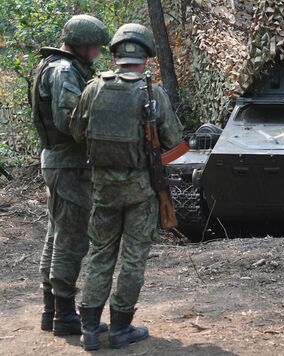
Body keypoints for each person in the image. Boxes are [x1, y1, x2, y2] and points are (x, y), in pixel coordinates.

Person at [71, 23, 183, 350]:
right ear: (146, 56)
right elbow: (175, 144)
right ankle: (120, 329)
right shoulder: (152, 91)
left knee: (100, 255)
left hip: (103, 188)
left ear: (116, 54)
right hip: (141, 191)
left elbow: (78, 133)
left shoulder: (94, 87)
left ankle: (90, 329)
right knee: (133, 260)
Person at [32, 14, 110, 336]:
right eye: (94, 47)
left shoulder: (54, 65)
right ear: (80, 45)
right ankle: (64, 315)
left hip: (60, 162)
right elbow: (70, 123)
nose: (96, 53)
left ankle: (52, 311)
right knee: (71, 239)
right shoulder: (64, 71)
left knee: (57, 234)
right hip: (69, 165)